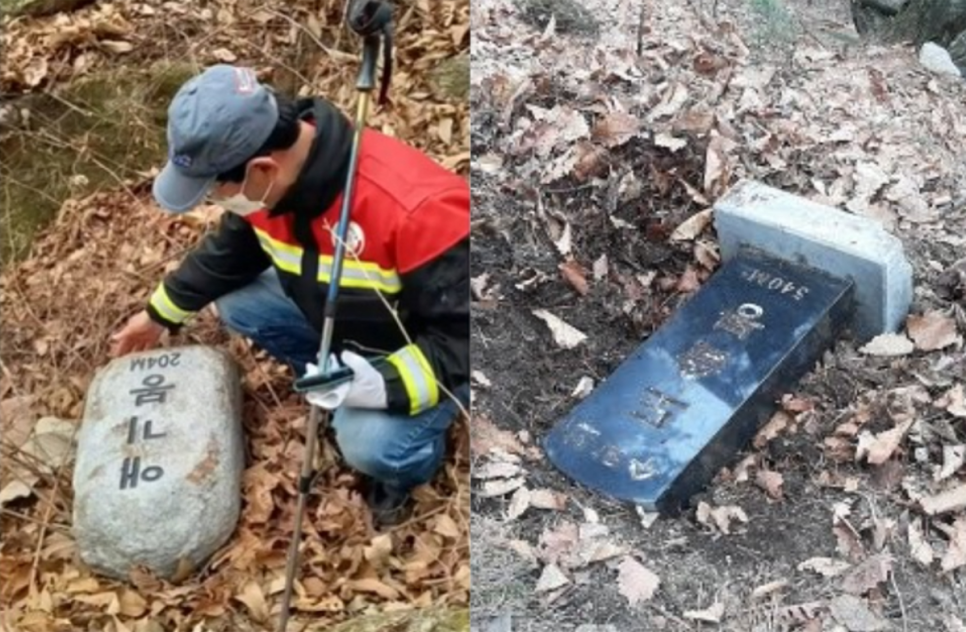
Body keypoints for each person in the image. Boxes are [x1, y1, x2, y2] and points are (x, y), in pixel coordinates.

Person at [110, 64, 470, 527]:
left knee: (369, 446)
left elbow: (468, 340)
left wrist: (381, 387)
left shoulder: (418, 211)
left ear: (261, 169)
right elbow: (231, 251)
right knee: (238, 301)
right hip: (343, 321)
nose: (215, 203)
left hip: (421, 350)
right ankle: (325, 381)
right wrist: (158, 314)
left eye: (214, 192)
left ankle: (409, 465)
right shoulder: (270, 184)